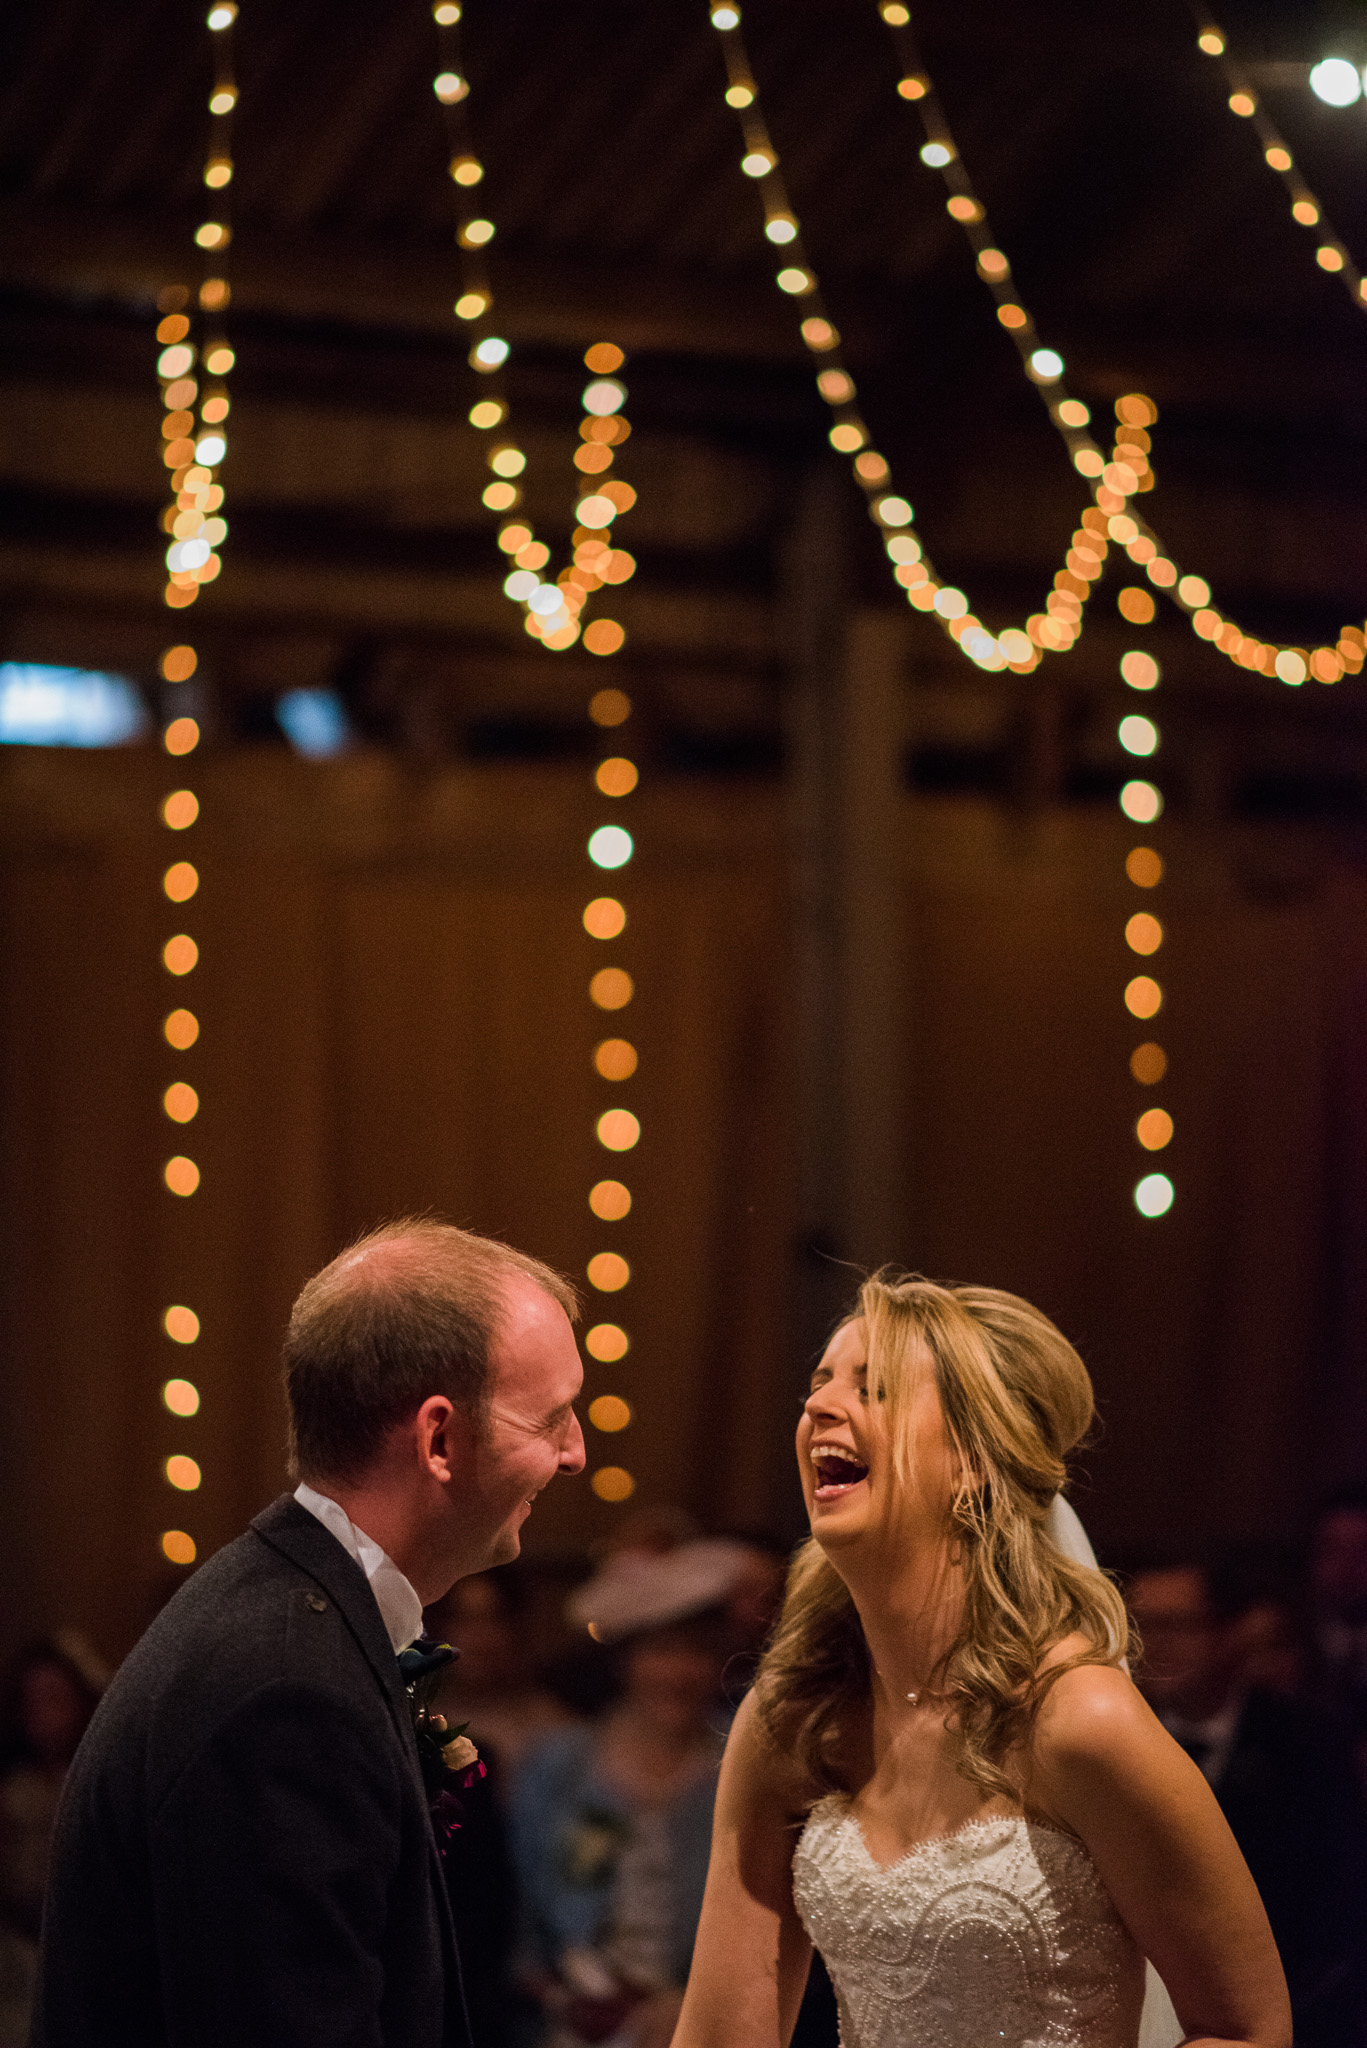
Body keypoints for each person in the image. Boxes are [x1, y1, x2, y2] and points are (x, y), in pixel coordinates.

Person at [672, 1270, 1291, 2048]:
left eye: (874, 1388)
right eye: (819, 1382)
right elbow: (722, 2032)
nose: (817, 1406)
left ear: (971, 1457)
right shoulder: (794, 1715)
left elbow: (1247, 2031)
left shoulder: (1080, 1720)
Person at [32, 1218, 586, 2048]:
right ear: (439, 1437)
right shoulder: (287, 1689)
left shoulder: (287, 1616)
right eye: (550, 1420)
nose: (575, 1452)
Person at [1128, 1558, 1367, 2047]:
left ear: (1230, 1632)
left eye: (1175, 1625)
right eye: (1139, 1626)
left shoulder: (1309, 1740)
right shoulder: (1112, 1742)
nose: (1154, 1645)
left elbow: (1336, 1905)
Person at [512, 1543, 743, 2048]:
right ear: (626, 1659)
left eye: (698, 1651)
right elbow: (523, 1917)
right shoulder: (562, 1764)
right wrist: (562, 1998)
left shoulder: (741, 1763)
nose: (679, 1672)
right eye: (661, 1651)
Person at [0, 1636, 105, 2048]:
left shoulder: (94, 1784)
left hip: (82, 1957)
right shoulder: (13, 1786)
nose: (44, 1713)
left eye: (56, 1698)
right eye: (34, 1700)